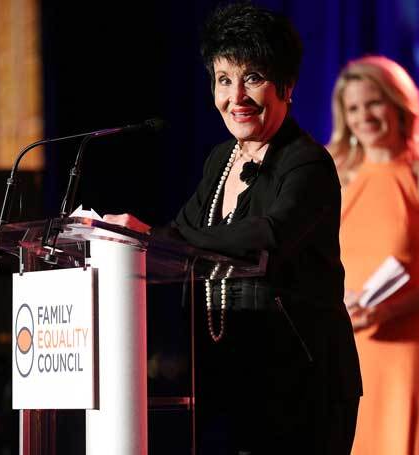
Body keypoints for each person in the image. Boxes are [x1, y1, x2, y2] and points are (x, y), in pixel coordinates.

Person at [103, 3, 362, 454]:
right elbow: (181, 238)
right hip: (228, 375)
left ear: (287, 85)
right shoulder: (220, 160)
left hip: (301, 383)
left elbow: (267, 236)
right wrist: (124, 244)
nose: (236, 96)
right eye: (224, 79)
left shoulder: (306, 162)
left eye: (254, 78)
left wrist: (153, 237)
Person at [326, 55, 419, 455]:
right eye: (353, 108)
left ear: (399, 104)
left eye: (373, 103)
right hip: (341, 350)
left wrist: (391, 309)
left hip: (405, 356)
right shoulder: (331, 178)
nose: (364, 117)